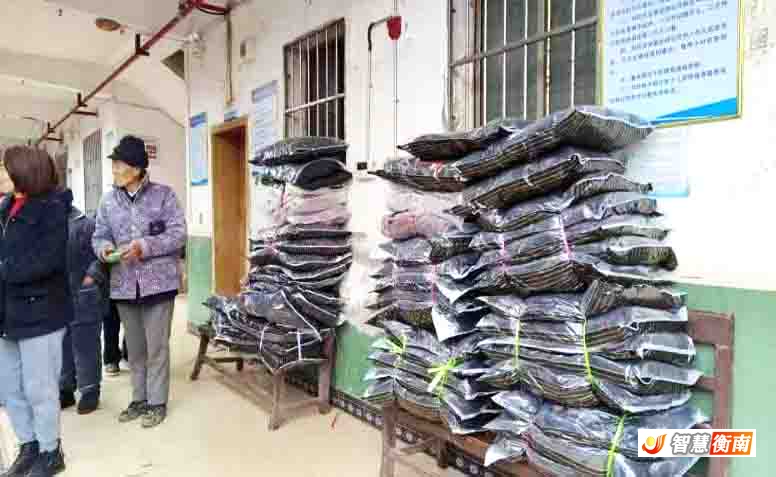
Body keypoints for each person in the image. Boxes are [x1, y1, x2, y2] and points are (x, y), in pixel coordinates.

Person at [93, 135, 186, 428]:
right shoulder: (108, 200)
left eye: (118, 164)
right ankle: (139, 399)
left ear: (135, 169)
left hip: (159, 284)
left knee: (157, 347)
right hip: (123, 283)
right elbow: (99, 234)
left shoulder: (164, 195)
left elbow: (178, 234)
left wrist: (144, 246)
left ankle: (157, 402)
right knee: (135, 350)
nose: (114, 170)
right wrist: (104, 249)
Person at [0, 146, 72, 477]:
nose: (1, 173)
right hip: (7, 314)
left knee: (39, 388)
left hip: (41, 312)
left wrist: (4, 268)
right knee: (10, 387)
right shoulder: (6, 207)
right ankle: (28, 445)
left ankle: (50, 450)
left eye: (4, 168)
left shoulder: (52, 209)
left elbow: (47, 261)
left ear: (23, 172)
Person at [59, 207, 109, 415]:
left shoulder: (87, 224)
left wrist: (92, 278)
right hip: (57, 297)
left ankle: (90, 390)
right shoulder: (46, 223)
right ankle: (65, 388)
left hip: (84, 295)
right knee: (61, 344)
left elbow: (102, 257)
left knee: (85, 344)